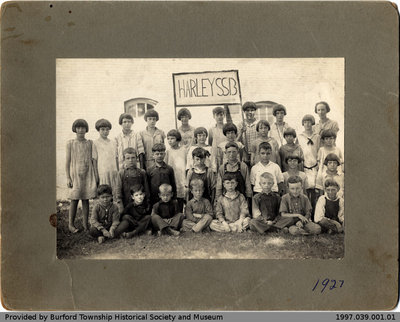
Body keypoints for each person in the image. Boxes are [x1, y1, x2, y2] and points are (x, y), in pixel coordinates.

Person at [65, 119, 98, 233]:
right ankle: (71, 224)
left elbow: (93, 160)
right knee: (74, 198)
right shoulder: (70, 143)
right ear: (75, 129)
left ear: (86, 129)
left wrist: (95, 175)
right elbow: (67, 162)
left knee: (85, 199)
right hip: (76, 175)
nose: (81, 130)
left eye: (83, 128)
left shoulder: (89, 143)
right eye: (78, 128)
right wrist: (68, 177)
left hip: (88, 174)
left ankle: (85, 224)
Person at [115, 147, 150, 213]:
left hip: (140, 205)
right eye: (128, 158)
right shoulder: (121, 173)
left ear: (137, 159)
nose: (130, 160)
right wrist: (120, 206)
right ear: (124, 160)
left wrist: (147, 203)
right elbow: (118, 192)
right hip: (126, 204)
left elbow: (146, 190)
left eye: (133, 158)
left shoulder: (142, 172)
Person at [297, 114, 320, 211]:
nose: (307, 124)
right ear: (303, 124)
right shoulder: (299, 136)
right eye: (305, 122)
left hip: (314, 167)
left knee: (315, 192)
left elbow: (319, 150)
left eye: (309, 122)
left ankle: (315, 212)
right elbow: (298, 151)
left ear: (312, 123)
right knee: (306, 191)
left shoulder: (317, 136)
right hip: (304, 167)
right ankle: (307, 212)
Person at [93, 119, 119, 199]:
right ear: (98, 130)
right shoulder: (95, 143)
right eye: (102, 129)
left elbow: (116, 158)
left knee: (114, 194)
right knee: (104, 194)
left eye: (107, 129)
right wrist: (96, 174)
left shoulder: (113, 142)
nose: (105, 131)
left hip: (113, 172)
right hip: (103, 173)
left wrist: (117, 171)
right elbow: (94, 160)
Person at [164, 129, 187, 212]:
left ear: (177, 139)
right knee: (173, 195)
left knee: (182, 196)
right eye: (168, 139)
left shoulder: (183, 150)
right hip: (172, 176)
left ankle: (182, 213)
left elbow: (186, 163)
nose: (170, 141)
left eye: (172, 138)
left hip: (182, 176)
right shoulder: (168, 152)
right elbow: (166, 164)